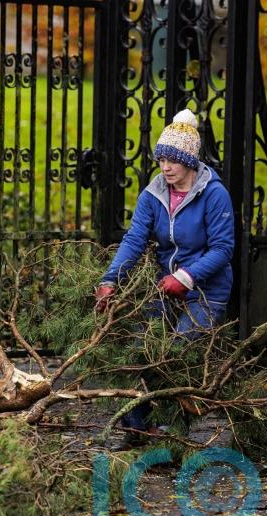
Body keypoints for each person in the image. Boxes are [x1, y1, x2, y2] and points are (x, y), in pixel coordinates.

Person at [93, 108, 235, 434]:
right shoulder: (154, 193)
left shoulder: (213, 194)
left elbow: (223, 251)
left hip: (205, 290)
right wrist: (110, 279)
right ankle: (137, 425)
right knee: (148, 349)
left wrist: (185, 277)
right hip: (164, 288)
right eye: (161, 160)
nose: (166, 167)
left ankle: (175, 429)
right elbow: (134, 239)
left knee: (177, 353)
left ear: (189, 161)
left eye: (173, 160)